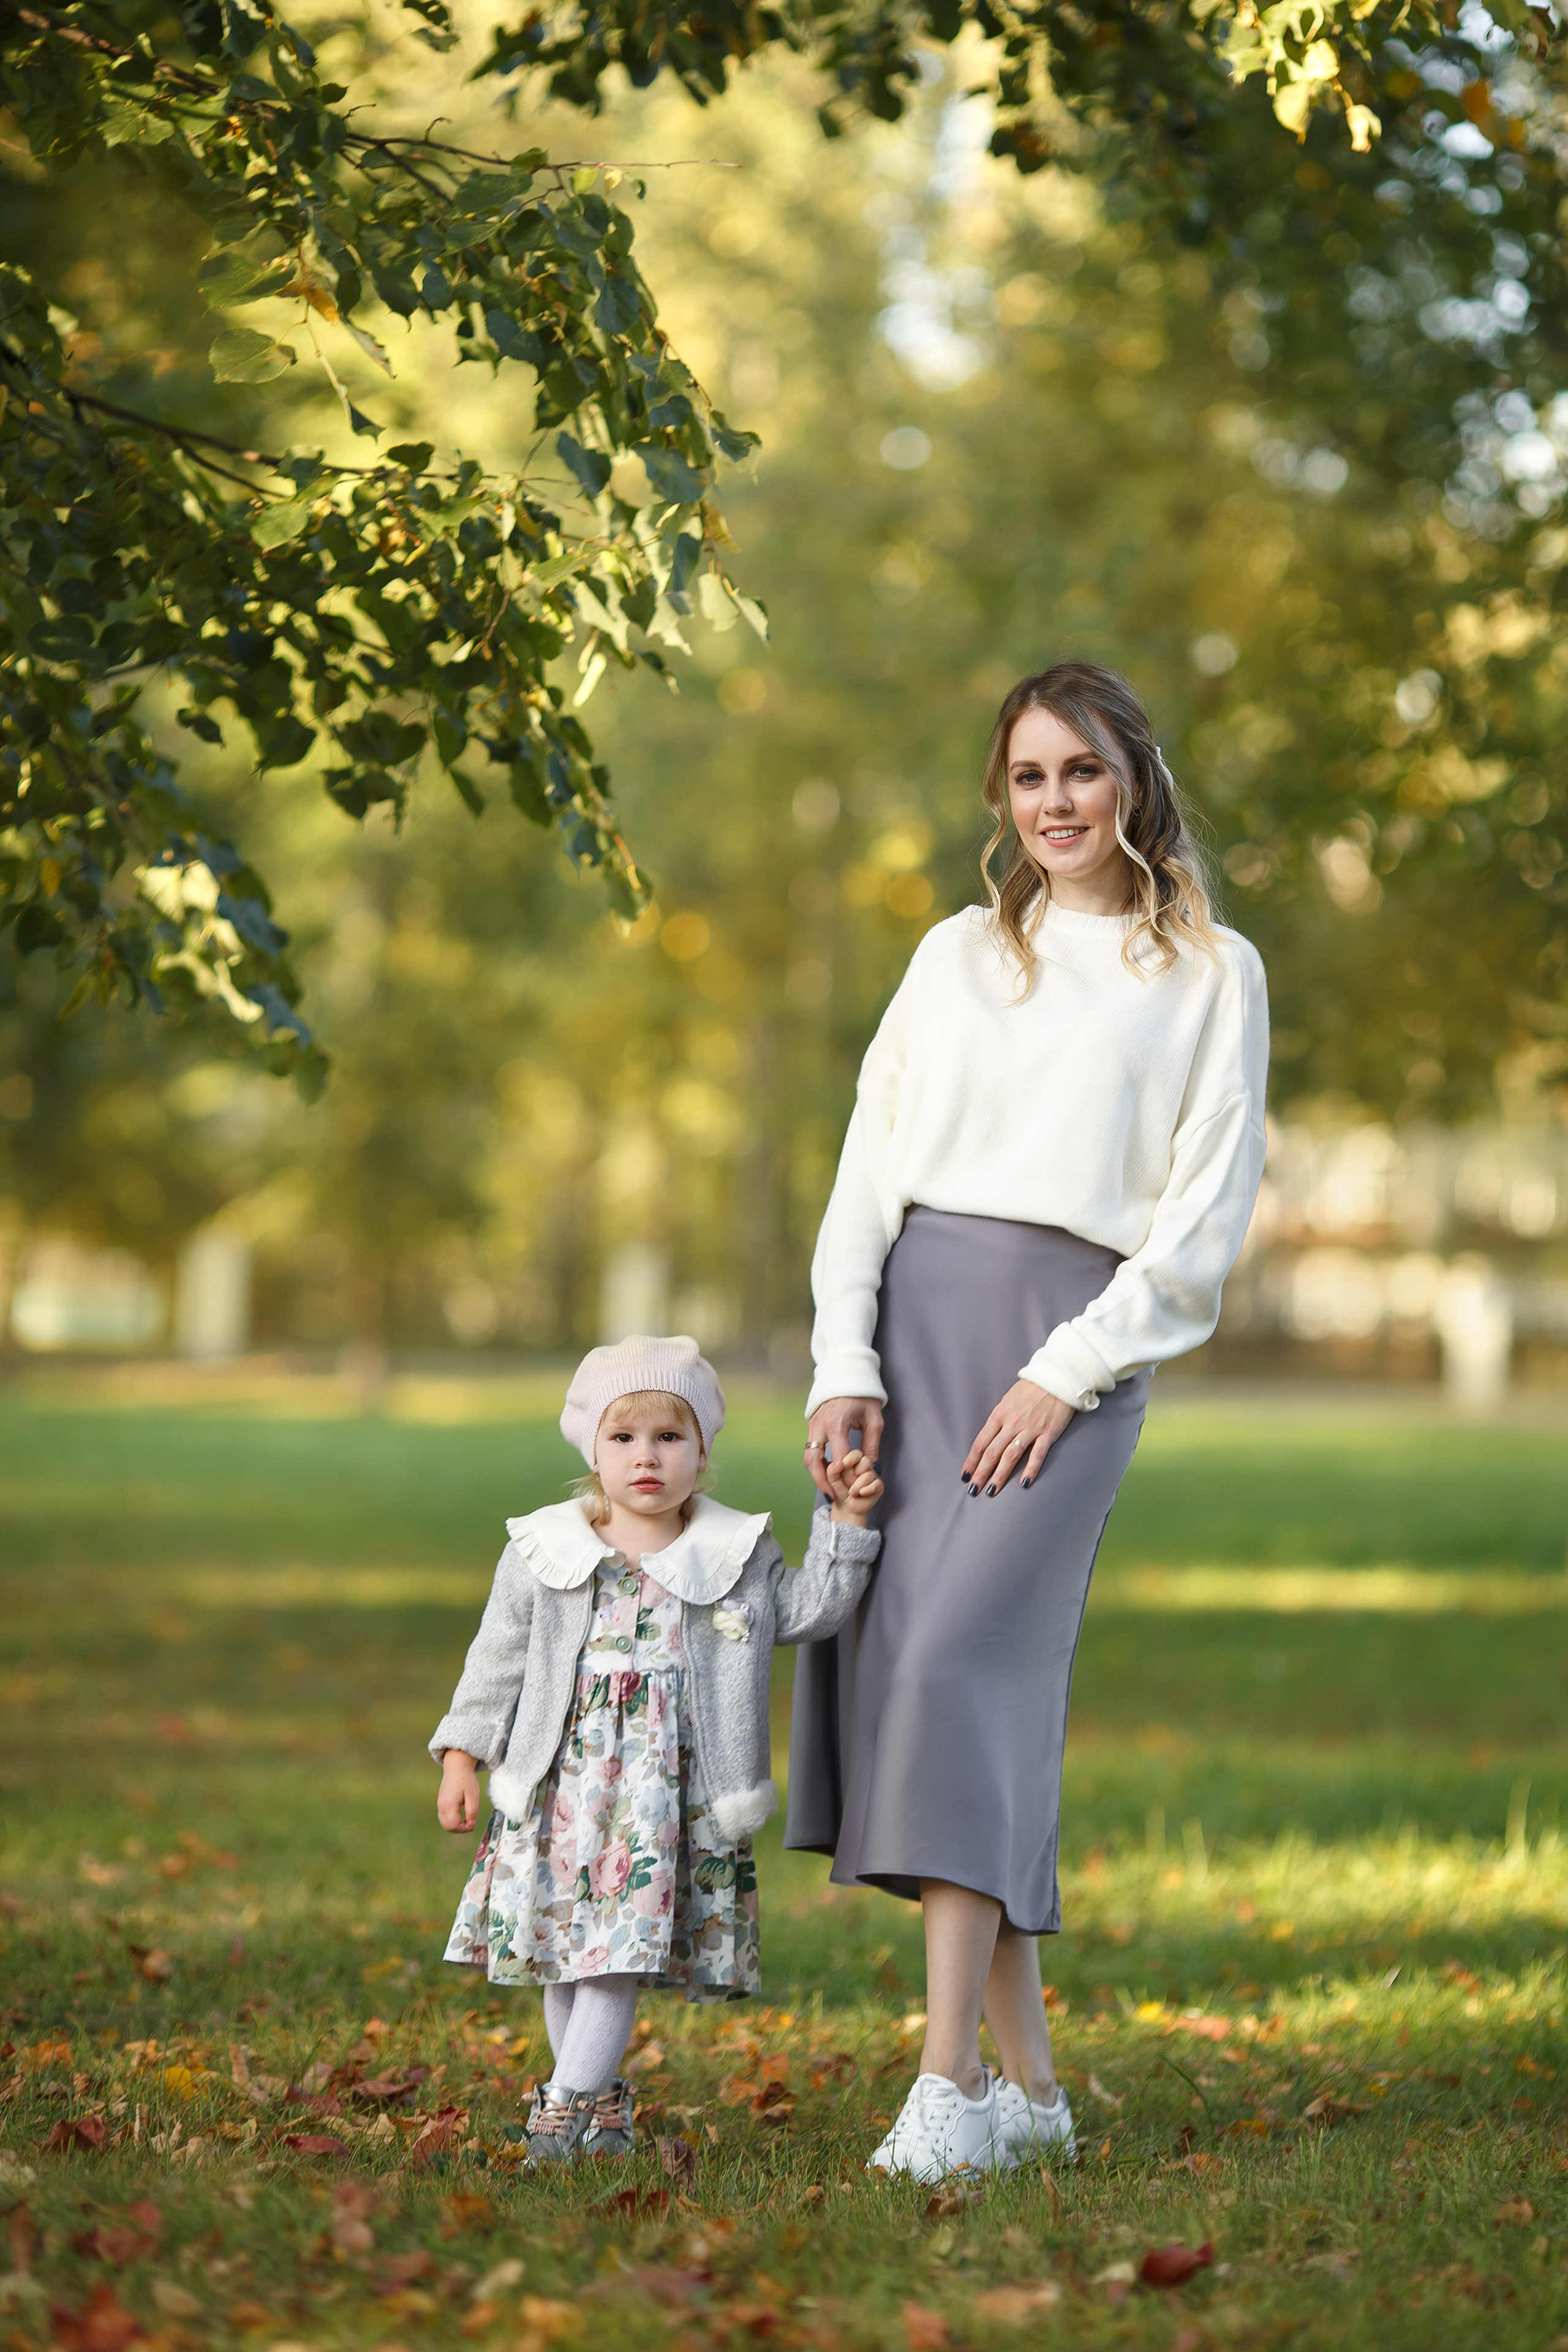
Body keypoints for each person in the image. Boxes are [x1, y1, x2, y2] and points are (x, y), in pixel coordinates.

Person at [786, 661, 1269, 2184]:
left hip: (1069, 1356)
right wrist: (836, 1361)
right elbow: (867, 1172)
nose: (1053, 803)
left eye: (1079, 771)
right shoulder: (949, 957)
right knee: (933, 1695)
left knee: (953, 1669)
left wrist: (1066, 1370)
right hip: (915, 1332)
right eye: (1025, 778)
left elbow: (1196, 1231)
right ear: (998, 799)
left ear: (1132, 777)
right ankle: (1034, 2100)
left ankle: (941, 2095)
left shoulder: (1209, 974)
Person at [431, 1333, 882, 2166]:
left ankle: (558, 2113)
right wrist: (464, 1753)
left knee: (616, 1956)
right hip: (565, 1783)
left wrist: (846, 1523)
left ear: (702, 1451)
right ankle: (600, 2117)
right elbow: (495, 1659)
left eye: (670, 1438)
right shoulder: (545, 1549)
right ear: (592, 1449)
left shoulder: (734, 1554)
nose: (647, 1458)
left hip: (665, 1793)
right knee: (569, 1954)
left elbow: (811, 1610)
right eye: (624, 1437)